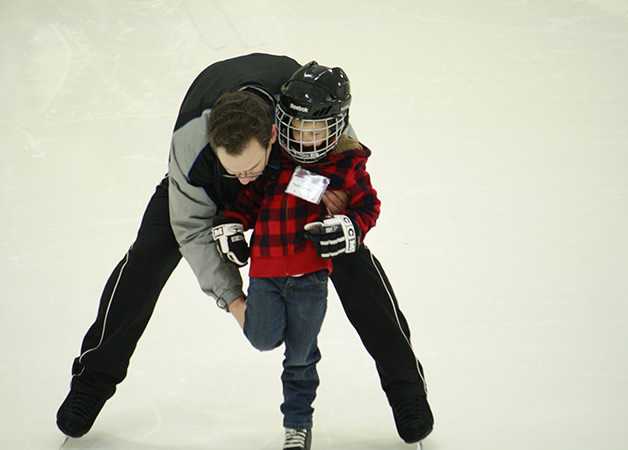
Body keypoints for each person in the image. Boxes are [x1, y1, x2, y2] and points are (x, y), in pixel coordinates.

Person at [56, 53, 433, 444]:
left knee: (355, 265)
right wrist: (234, 299)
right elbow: (189, 228)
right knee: (145, 261)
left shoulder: (307, 108)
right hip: (208, 194)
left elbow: (347, 172)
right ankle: (90, 385)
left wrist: (339, 211)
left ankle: (407, 391)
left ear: (275, 133)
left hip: (288, 180)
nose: (243, 178)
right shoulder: (192, 146)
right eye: (234, 170)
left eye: (250, 168)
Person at [210, 62, 380, 450]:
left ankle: (297, 425)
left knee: (301, 358)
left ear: (335, 126)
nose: (303, 138)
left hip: (309, 279)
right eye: (298, 128)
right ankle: (274, 340)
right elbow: (247, 201)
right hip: (265, 274)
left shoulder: (347, 164)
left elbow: (368, 206)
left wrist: (350, 227)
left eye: (315, 130)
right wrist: (231, 225)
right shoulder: (273, 160)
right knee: (262, 337)